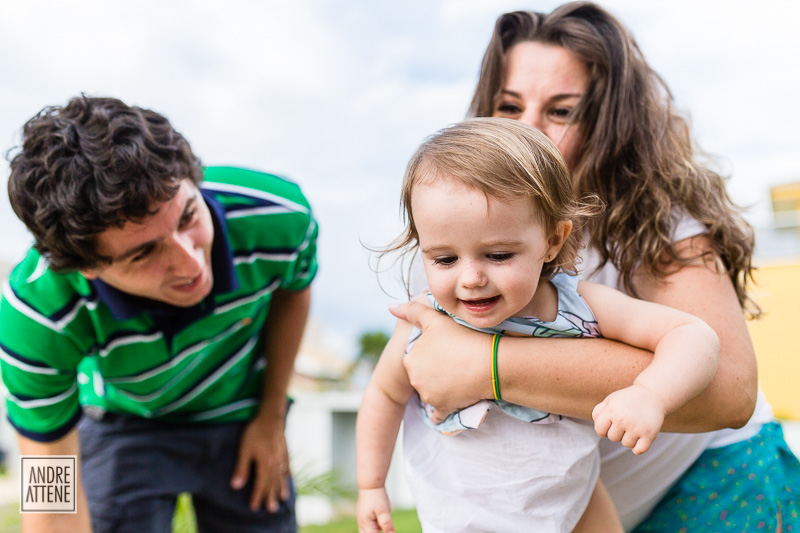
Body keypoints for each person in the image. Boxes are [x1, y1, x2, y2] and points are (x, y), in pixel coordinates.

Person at [391, 3, 800, 532]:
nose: (532, 129)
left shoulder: (661, 218)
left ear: (608, 123)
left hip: (716, 490)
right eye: (510, 106)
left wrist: (485, 365)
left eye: (562, 111)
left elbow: (729, 389)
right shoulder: (466, 238)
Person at [357, 118, 720, 533]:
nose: (470, 278)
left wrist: (650, 395)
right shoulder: (425, 322)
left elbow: (693, 335)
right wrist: (371, 485)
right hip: (463, 514)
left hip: (574, 501)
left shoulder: (579, 305)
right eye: (444, 259)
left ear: (553, 239)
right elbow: (384, 393)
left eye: (497, 256)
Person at [0, 95, 318, 533]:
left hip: (241, 410)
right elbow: (51, 483)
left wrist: (271, 416)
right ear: (87, 267)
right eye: (144, 252)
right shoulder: (36, 314)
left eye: (189, 217)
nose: (191, 265)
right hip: (122, 422)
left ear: (193, 178)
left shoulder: (280, 216)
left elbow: (293, 292)